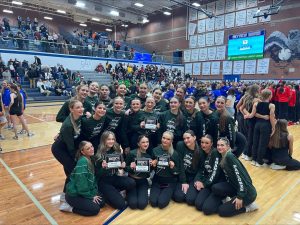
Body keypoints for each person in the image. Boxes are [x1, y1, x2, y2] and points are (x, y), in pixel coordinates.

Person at [212, 138, 258, 217]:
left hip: (247, 194)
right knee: (216, 188)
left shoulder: (230, 156)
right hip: (237, 188)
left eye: (222, 145)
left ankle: (249, 207)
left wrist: (240, 197)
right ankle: (233, 199)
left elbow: (239, 176)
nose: (219, 147)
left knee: (222, 211)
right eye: (218, 145)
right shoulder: (223, 156)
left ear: (228, 146)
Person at [59, 141, 105, 216]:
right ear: (83, 152)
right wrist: (91, 196)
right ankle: (68, 207)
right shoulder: (82, 163)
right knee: (95, 209)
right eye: (88, 148)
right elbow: (81, 185)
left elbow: (93, 179)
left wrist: (103, 168)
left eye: (92, 146)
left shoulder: (90, 158)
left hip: (83, 191)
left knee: (102, 202)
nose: (92, 149)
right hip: (74, 195)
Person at [52, 100, 83, 202]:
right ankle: (64, 195)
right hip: (60, 149)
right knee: (73, 169)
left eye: (81, 107)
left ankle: (74, 188)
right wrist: (76, 157)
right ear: (71, 109)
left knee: (69, 169)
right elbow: (70, 147)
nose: (81, 109)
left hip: (67, 147)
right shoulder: (68, 125)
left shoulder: (79, 118)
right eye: (77, 107)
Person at [94, 131, 135, 209]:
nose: (111, 141)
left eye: (113, 139)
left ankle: (114, 192)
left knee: (132, 182)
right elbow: (97, 174)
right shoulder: (98, 154)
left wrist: (123, 166)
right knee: (121, 205)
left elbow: (120, 167)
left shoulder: (117, 150)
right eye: (108, 139)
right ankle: (106, 194)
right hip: (103, 181)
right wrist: (103, 168)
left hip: (114, 177)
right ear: (104, 140)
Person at [192, 135, 224, 214]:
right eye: (202, 142)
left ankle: (224, 198)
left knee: (207, 209)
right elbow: (201, 169)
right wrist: (197, 180)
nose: (203, 145)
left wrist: (205, 184)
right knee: (198, 205)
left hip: (217, 183)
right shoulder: (201, 152)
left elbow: (215, 173)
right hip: (208, 181)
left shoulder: (215, 153)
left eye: (207, 143)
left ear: (211, 144)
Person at [150, 131, 181, 209]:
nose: (165, 140)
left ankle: (169, 193)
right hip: (157, 180)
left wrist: (172, 167)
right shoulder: (155, 150)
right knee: (153, 203)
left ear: (171, 141)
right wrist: (153, 164)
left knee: (161, 203)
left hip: (169, 182)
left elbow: (177, 172)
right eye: (163, 138)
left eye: (168, 139)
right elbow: (151, 168)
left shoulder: (175, 153)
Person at [245, 89, 276, 167]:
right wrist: (273, 127)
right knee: (262, 143)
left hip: (257, 125)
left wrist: (245, 115)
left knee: (255, 142)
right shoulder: (271, 105)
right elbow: (271, 118)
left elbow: (252, 115)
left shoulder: (256, 104)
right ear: (269, 96)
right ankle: (259, 161)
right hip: (265, 126)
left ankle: (254, 160)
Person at [172, 130, 202, 204]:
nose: (186, 140)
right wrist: (184, 181)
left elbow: (201, 169)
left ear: (194, 137)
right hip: (183, 175)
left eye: (188, 138)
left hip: (193, 177)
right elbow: (180, 164)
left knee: (190, 200)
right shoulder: (180, 145)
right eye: (184, 138)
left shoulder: (201, 150)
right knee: (178, 197)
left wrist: (196, 181)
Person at [125, 135, 153, 209]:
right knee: (133, 204)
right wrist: (131, 167)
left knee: (142, 205)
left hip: (142, 181)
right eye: (143, 142)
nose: (145, 144)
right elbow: (125, 168)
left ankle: (142, 193)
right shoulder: (131, 153)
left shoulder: (149, 156)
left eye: (147, 142)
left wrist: (152, 166)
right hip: (131, 181)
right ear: (138, 144)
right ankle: (127, 192)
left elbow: (148, 174)